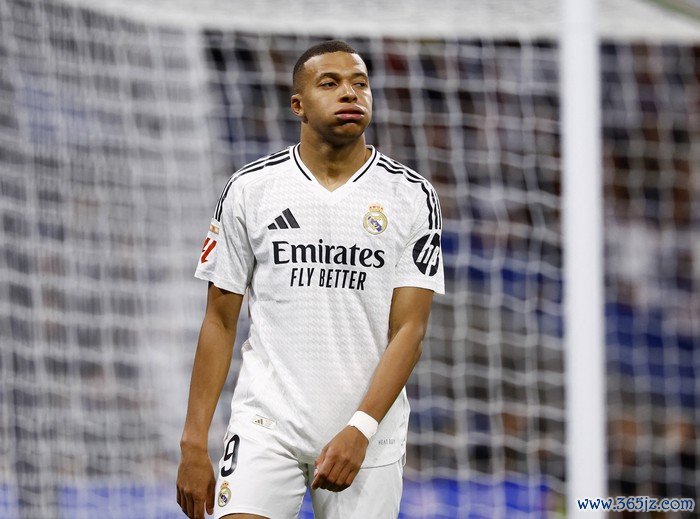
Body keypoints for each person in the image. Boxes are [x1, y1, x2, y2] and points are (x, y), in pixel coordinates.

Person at [176, 40, 444, 519]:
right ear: (297, 105)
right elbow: (219, 321)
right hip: (267, 423)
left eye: (360, 84)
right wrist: (194, 444)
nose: (350, 94)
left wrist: (360, 428)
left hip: (368, 432)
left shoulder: (411, 195)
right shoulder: (250, 190)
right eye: (331, 83)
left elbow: (410, 329)